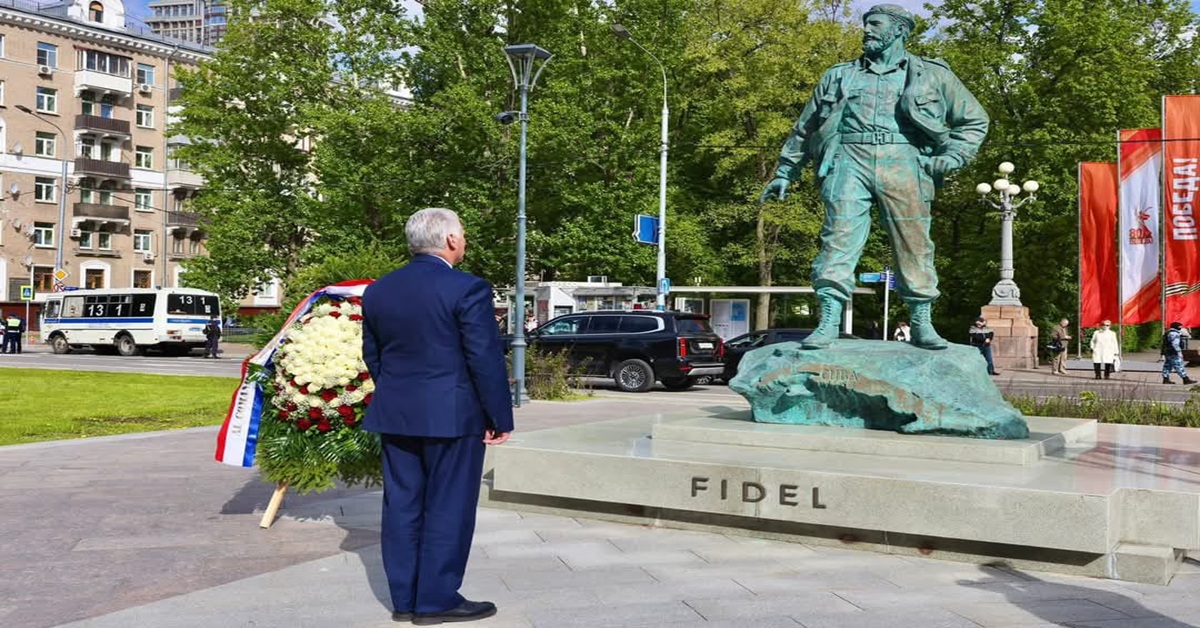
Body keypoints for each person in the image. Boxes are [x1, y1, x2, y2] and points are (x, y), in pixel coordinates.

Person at [760, 3, 988, 351]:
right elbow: (804, 129)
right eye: (865, 25)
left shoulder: (932, 74)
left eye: (875, 25)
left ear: (899, 30)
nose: (866, 31)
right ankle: (828, 322)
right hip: (849, 159)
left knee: (914, 243)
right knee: (838, 239)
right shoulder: (838, 75)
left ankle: (922, 323)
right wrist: (785, 171)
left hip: (905, 161)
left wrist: (953, 155)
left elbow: (974, 120)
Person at [362, 207, 514, 625]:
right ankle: (436, 600)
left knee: (402, 505)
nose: (465, 241)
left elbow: (373, 356)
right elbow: (483, 357)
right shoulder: (467, 289)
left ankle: (405, 598)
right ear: (449, 240)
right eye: (462, 234)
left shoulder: (379, 291)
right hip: (453, 416)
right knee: (449, 505)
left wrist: (398, 394)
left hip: (396, 415)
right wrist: (498, 416)